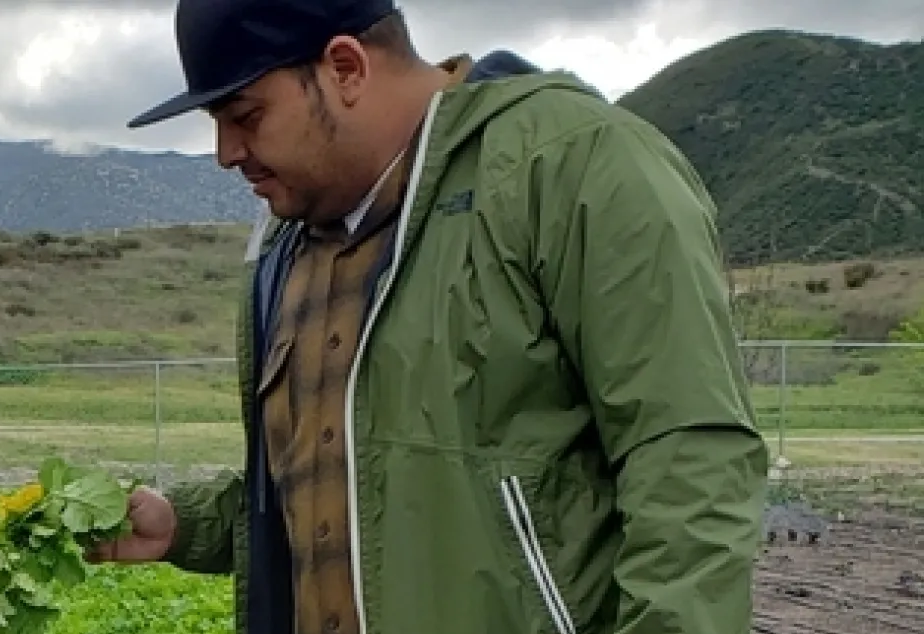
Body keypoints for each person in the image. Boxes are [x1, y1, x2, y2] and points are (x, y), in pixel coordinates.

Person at [88, 1, 771, 634]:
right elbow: (344, 483)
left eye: (245, 115)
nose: (227, 153)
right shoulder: (285, 245)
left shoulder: (570, 167)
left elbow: (690, 460)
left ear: (346, 67)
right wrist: (185, 526)